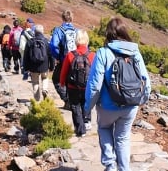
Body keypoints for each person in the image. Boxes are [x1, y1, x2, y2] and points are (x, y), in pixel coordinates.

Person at [84, 17, 151, 171]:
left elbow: (95, 86)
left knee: (104, 129)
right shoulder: (135, 52)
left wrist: (87, 107)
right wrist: (142, 100)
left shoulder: (103, 53)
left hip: (107, 106)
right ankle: (124, 169)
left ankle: (109, 166)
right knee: (123, 137)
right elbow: (146, 80)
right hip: (130, 105)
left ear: (108, 34)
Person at [59, 30, 95, 137]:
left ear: (76, 41)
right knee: (86, 104)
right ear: (87, 41)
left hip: (72, 86)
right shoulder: (92, 55)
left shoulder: (70, 55)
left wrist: (61, 83)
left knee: (75, 107)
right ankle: (86, 122)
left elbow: (64, 71)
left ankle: (80, 129)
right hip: (87, 87)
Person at [50, 9, 77, 109]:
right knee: (71, 81)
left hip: (64, 60)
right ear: (72, 18)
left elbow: (53, 45)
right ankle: (73, 102)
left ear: (62, 17)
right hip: (76, 61)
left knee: (57, 79)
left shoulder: (58, 30)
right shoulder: (76, 30)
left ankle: (67, 100)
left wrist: (57, 57)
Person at [23, 24, 54, 101]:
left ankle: (37, 99)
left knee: (35, 82)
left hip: (33, 66)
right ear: (42, 32)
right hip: (44, 65)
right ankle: (45, 89)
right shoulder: (46, 42)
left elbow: (25, 56)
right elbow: (51, 55)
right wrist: (51, 66)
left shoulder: (30, 42)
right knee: (45, 78)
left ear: (34, 32)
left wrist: (26, 68)